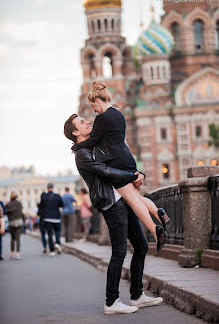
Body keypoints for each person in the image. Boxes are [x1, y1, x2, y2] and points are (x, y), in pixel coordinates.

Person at [64, 114, 163, 314]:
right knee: (119, 251)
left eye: (85, 119)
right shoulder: (82, 154)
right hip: (111, 203)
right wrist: (130, 177)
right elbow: (105, 171)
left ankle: (137, 295)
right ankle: (111, 302)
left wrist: (137, 173)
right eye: (81, 122)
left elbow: (119, 160)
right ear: (75, 133)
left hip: (124, 198)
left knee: (141, 245)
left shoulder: (97, 145)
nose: (86, 122)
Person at [71, 79, 169, 251]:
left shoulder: (102, 118)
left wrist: (77, 146)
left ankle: (155, 230)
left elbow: (93, 140)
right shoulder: (119, 114)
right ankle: (159, 212)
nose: (93, 110)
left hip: (117, 163)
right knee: (138, 197)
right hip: (128, 158)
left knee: (132, 200)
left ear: (97, 101)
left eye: (92, 105)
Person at [40, 183, 63, 256]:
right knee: (58, 231)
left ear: (47, 188)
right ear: (53, 188)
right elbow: (62, 205)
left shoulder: (44, 196)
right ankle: (57, 243)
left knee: (50, 234)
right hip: (56, 217)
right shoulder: (57, 196)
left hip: (47, 218)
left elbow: (41, 206)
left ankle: (52, 251)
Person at [5, 192, 24, 260]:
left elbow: (6, 213)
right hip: (19, 222)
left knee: (12, 238)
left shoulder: (8, 204)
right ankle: (18, 254)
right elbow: (21, 213)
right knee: (18, 238)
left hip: (12, 222)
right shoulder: (19, 203)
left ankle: (12, 253)